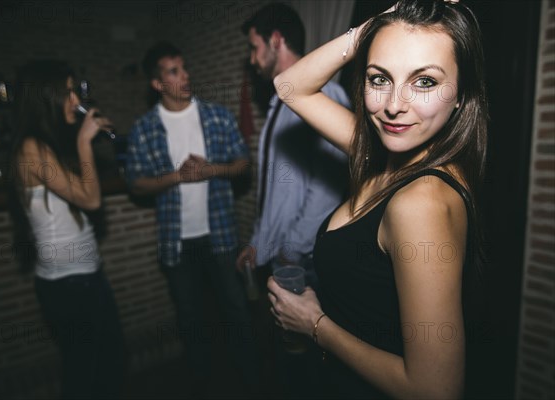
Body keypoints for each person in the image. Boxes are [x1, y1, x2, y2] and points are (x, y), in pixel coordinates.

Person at [266, 0, 488, 398]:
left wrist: (315, 325)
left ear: (460, 96)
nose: (393, 105)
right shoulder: (380, 155)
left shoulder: (421, 203)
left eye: (425, 82)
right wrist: (381, 22)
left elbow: (435, 390)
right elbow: (289, 86)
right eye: (379, 78)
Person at [124, 42, 258, 396]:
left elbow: (244, 163)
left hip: (221, 236)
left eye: (184, 68)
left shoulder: (216, 116)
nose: (185, 76)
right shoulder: (144, 128)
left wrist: (211, 169)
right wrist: (178, 177)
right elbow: (135, 183)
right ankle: (202, 383)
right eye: (173, 71)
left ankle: (253, 382)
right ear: (157, 84)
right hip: (176, 242)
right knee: (191, 317)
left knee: (236, 311)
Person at [237, 3, 351, 397]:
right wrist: (258, 242)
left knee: (310, 369)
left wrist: (290, 249)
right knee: (287, 364)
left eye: (254, 49)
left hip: (304, 261)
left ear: (276, 40)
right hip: (282, 257)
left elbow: (329, 187)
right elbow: (276, 192)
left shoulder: (322, 94)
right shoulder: (279, 101)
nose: (251, 61)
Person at [9, 60, 125, 399]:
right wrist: (86, 142)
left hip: (86, 276)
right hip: (68, 286)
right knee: (86, 375)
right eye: (69, 91)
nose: (76, 99)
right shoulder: (31, 147)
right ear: (46, 96)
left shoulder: (48, 143)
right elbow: (90, 199)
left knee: (108, 364)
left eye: (76, 90)